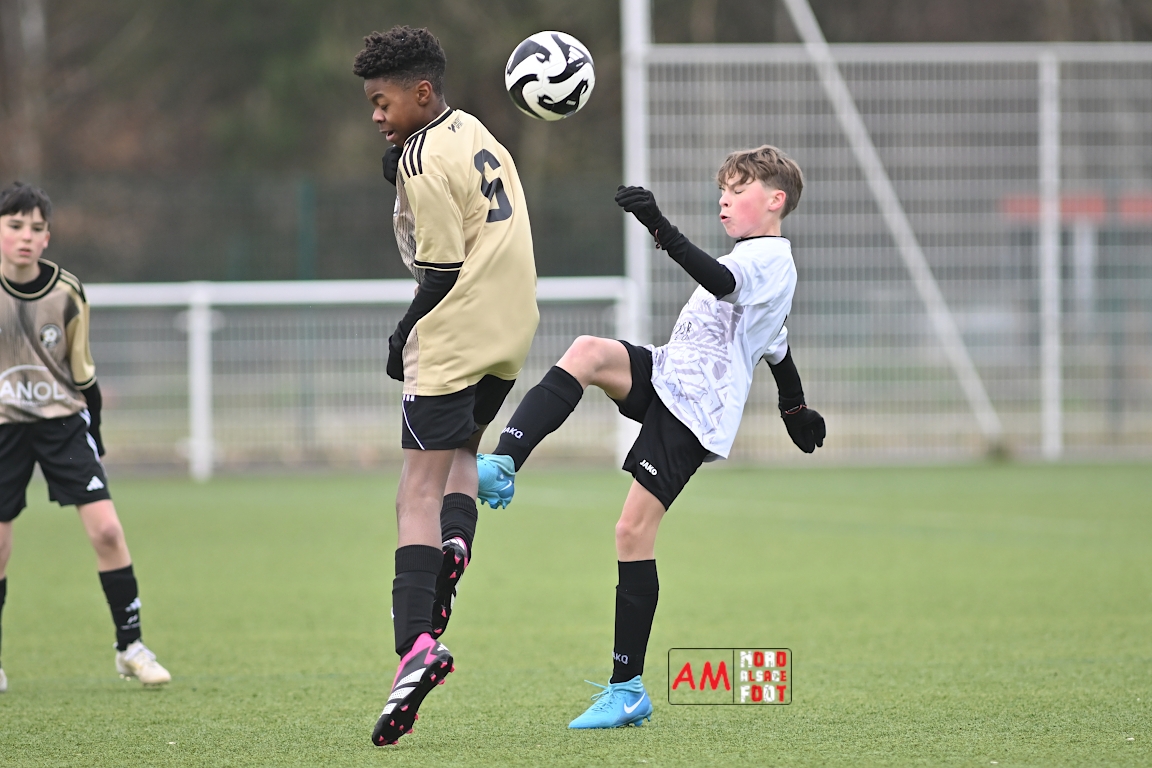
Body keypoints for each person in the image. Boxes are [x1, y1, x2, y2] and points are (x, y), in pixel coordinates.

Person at [476, 145, 825, 728]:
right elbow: (776, 344)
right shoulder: (756, 259)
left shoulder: (769, 259)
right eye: (722, 190)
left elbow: (721, 282)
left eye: (738, 190)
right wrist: (795, 406)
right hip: (669, 374)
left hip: (696, 411)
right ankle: (503, 464)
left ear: (775, 200)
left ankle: (627, 688)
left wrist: (659, 226)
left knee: (632, 531)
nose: (724, 200)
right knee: (588, 351)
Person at [352, 26, 539, 745]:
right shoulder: (474, 130)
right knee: (462, 455)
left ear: (421, 93)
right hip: (509, 330)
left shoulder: (423, 159)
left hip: (455, 333)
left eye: (383, 101)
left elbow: (439, 270)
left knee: (415, 494)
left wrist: (402, 335)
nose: (376, 114)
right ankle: (454, 548)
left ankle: (414, 649)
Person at [0, 182, 171, 693]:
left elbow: (83, 374)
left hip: (62, 424)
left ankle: (131, 647)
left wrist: (94, 432)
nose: (25, 236)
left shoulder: (66, 291)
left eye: (35, 228)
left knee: (107, 532)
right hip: (4, 428)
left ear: (47, 238)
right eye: (14, 226)